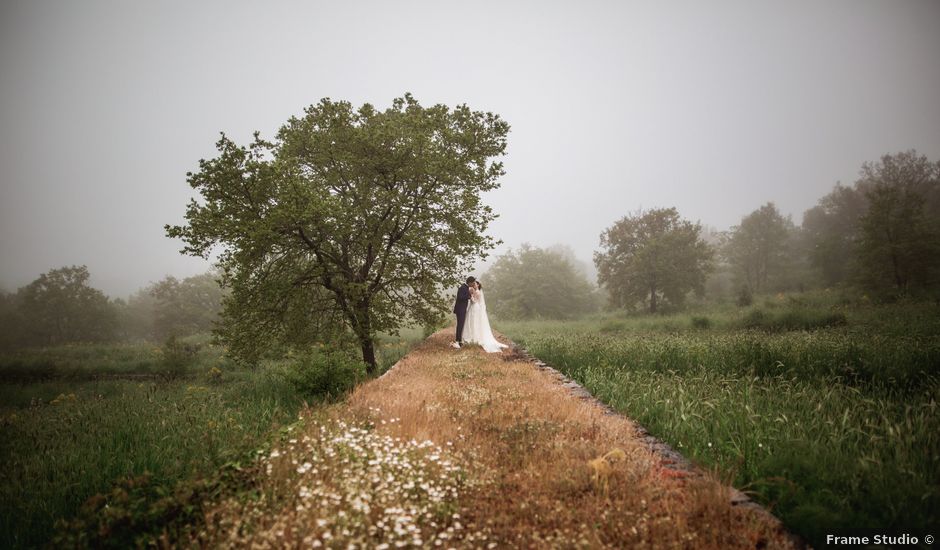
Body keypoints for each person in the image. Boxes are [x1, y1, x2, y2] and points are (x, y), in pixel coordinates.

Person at [461, 280, 509, 353]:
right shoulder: (474, 291)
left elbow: (474, 301)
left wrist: (470, 296)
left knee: (474, 322)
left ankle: (474, 337)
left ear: (478, 285)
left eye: (475, 284)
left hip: (474, 307)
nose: (474, 285)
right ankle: (471, 336)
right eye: (473, 284)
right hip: (472, 307)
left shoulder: (477, 292)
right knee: (471, 321)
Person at [451, 276, 474, 348]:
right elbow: (460, 297)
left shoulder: (466, 287)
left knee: (460, 325)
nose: (473, 284)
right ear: (469, 282)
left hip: (462, 309)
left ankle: (459, 340)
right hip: (460, 309)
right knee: (460, 325)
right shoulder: (462, 288)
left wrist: (469, 294)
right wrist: (469, 295)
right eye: (472, 283)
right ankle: (458, 340)